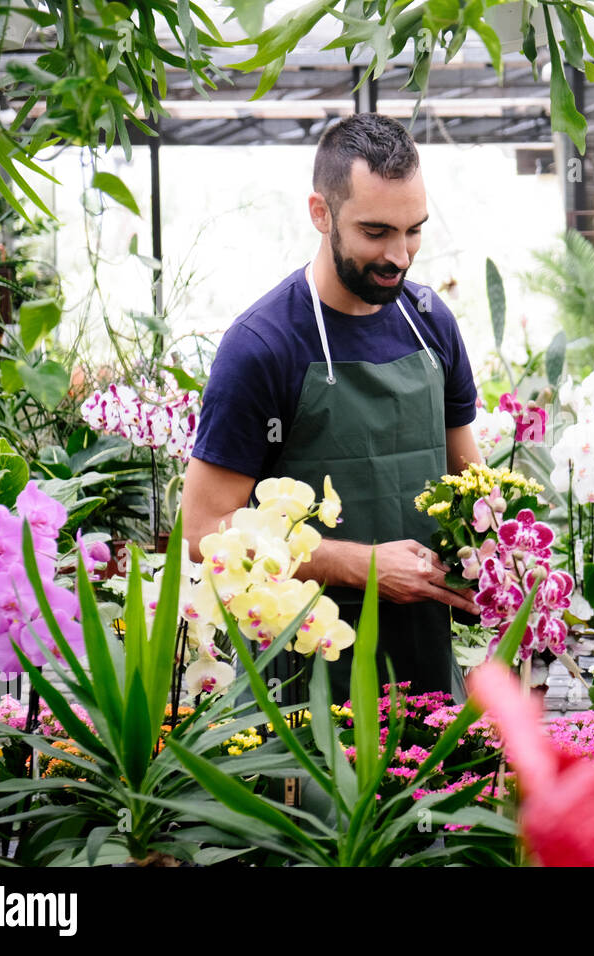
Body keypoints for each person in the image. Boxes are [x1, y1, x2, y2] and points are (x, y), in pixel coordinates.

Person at [182, 113, 481, 701]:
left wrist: (499, 556)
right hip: (303, 678)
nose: (401, 256)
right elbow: (203, 530)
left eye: (413, 230)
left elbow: (471, 486)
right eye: (376, 232)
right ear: (321, 213)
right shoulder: (264, 345)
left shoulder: (431, 323)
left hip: (425, 666)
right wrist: (363, 565)